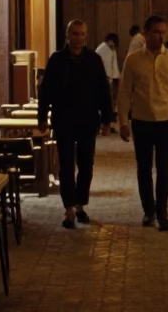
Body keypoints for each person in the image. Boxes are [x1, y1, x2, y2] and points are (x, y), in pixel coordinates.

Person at [118, 15, 168, 231]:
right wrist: (123, 121)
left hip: (166, 120)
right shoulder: (133, 60)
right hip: (141, 121)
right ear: (146, 33)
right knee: (144, 168)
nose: (159, 36)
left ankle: (162, 211)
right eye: (155, 32)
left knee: (164, 168)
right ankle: (148, 211)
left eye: (163, 32)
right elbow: (124, 93)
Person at [38, 20, 113, 229]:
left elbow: (103, 91)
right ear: (67, 35)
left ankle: (80, 204)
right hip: (64, 120)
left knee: (86, 165)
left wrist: (107, 119)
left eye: (82, 34)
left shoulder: (94, 60)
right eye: (75, 34)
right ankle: (69, 208)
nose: (79, 38)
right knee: (66, 165)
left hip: (88, 120)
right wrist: (42, 117)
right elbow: (45, 91)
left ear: (85, 36)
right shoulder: (57, 60)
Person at [95, 32, 121, 134]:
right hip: (103, 79)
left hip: (109, 79)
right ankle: (105, 124)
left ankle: (110, 124)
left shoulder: (111, 49)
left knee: (111, 104)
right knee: (106, 104)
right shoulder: (102, 49)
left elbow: (113, 65)